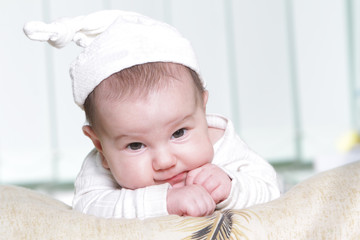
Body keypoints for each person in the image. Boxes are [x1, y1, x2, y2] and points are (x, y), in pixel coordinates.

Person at [23, 10, 280, 219]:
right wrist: (164, 202)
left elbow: (270, 191)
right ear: (100, 145)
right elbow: (88, 208)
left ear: (202, 110)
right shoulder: (100, 168)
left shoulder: (222, 142)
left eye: (179, 133)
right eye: (136, 145)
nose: (165, 161)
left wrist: (230, 187)